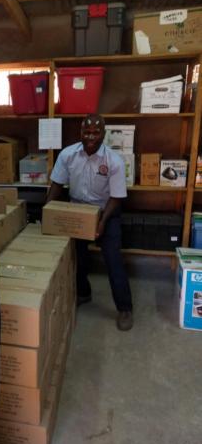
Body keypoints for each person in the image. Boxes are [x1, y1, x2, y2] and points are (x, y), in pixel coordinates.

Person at [46, 114, 133, 331]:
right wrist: (47, 212)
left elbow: (117, 197)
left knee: (113, 259)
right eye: (87, 132)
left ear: (104, 134)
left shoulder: (114, 161)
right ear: (80, 132)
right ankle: (83, 293)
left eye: (96, 132)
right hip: (78, 211)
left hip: (107, 211)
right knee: (78, 257)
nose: (91, 137)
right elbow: (56, 185)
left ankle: (125, 308)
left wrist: (101, 223)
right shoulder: (68, 155)